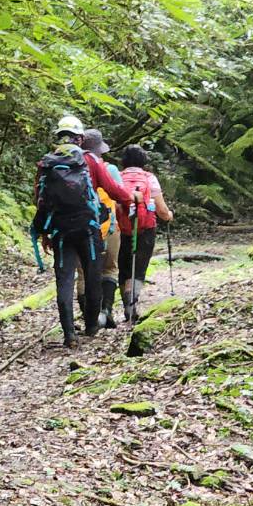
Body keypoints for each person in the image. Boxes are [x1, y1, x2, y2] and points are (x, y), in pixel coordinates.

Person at [33, 114, 134, 348]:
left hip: (59, 230)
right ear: (80, 138)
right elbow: (113, 189)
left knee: (65, 279)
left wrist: (45, 232)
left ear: (58, 136)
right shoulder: (91, 160)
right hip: (88, 228)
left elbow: (39, 199)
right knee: (92, 274)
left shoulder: (45, 163)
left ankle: (69, 334)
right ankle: (90, 326)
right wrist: (131, 202)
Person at [116, 144, 174, 321]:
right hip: (145, 228)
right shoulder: (150, 178)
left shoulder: (117, 177)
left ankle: (126, 302)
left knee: (123, 266)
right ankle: (132, 299)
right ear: (143, 161)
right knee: (139, 268)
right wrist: (169, 216)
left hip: (121, 228)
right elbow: (161, 210)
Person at [80, 129, 123, 328]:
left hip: (79, 227)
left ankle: (88, 316)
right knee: (110, 268)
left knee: (83, 272)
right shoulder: (110, 169)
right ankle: (106, 311)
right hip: (108, 225)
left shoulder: (71, 167)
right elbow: (119, 195)